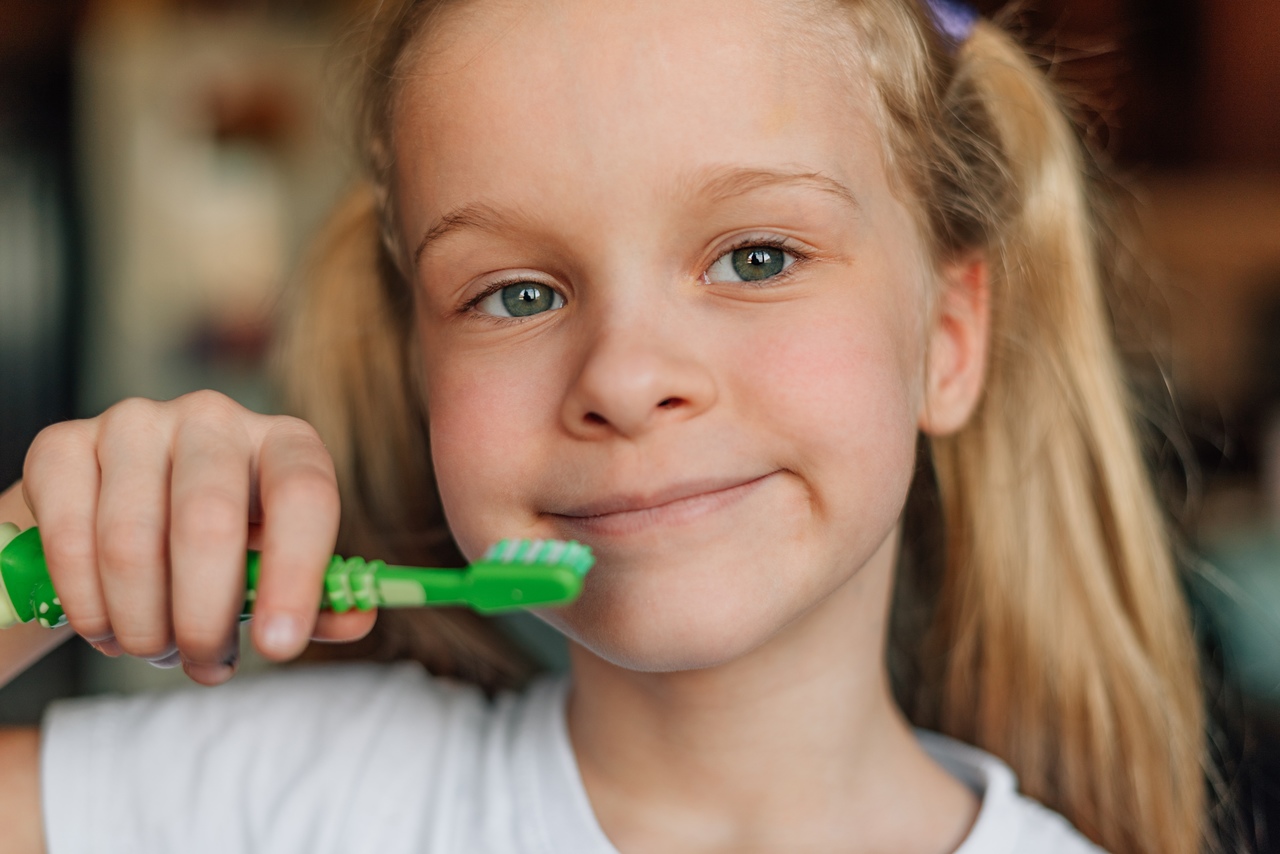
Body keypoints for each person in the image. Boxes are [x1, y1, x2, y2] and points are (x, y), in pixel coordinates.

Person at [0, 0, 1212, 851]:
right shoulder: (292, 800)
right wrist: (25, 565)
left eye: (754, 256)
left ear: (947, 340)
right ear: (424, 370)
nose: (625, 377)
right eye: (514, 294)